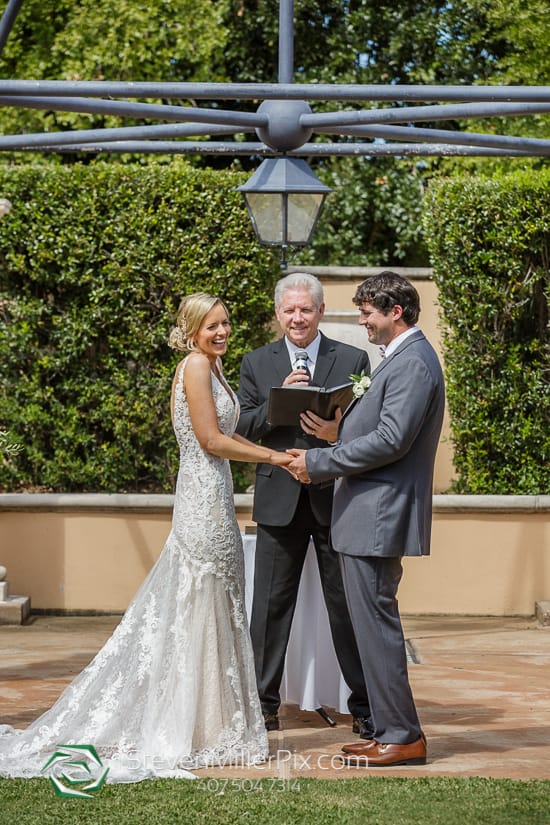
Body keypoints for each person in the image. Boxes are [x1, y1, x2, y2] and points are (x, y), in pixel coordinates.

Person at [0, 292, 293, 782]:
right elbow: (210, 440)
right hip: (200, 500)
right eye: (212, 326)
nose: (221, 332)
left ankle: (212, 726)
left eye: (225, 324)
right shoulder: (196, 367)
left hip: (216, 494)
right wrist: (273, 459)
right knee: (199, 601)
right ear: (193, 329)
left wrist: (277, 457)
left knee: (218, 603)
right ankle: (188, 729)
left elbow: (231, 434)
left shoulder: (213, 367)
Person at [288, 271, 445, 767]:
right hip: (364, 514)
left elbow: (393, 439)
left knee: (376, 629)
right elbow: (377, 429)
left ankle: (401, 735)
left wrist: (317, 463)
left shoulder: (414, 363)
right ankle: (387, 730)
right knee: (369, 628)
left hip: (379, 515)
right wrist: (340, 431)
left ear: (395, 312)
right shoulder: (397, 360)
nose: (362, 322)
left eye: (367, 313)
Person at [236, 271, 373, 736]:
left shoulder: (353, 358)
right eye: (289, 310)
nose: (297, 317)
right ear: (278, 314)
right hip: (279, 500)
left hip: (336, 498)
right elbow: (242, 427)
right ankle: (262, 706)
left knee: (348, 606)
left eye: (305, 309)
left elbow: (366, 425)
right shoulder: (257, 362)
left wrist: (335, 433)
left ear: (320, 310)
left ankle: (367, 706)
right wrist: (283, 402)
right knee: (270, 611)